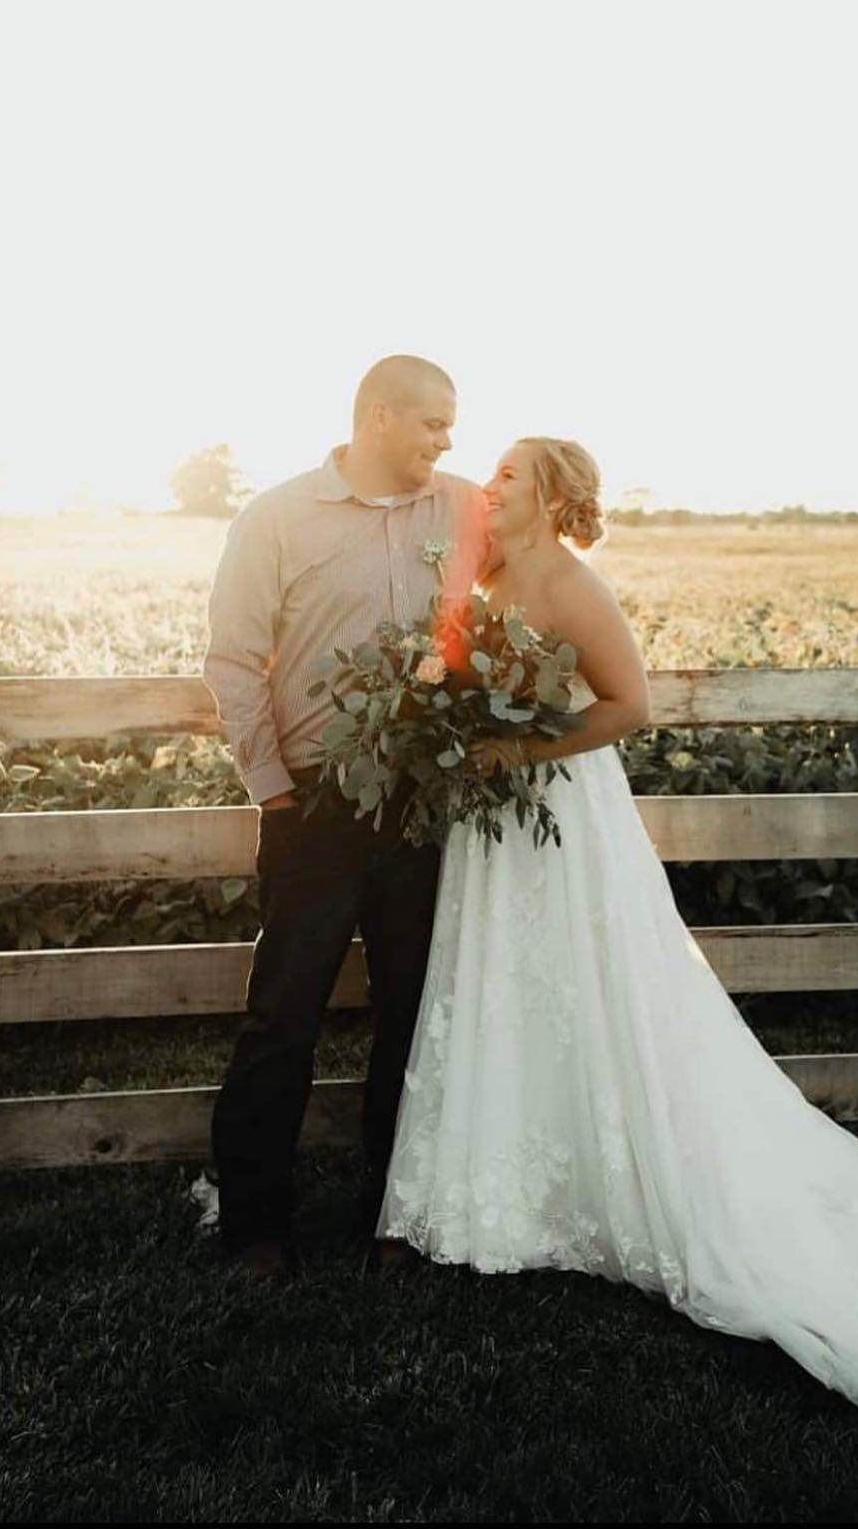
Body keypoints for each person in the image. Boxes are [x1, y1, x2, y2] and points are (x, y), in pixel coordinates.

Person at [376, 435, 858, 1455]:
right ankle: (508, 1192)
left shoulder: (575, 585)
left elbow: (631, 703)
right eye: (490, 474)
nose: (489, 487)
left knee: (583, 980)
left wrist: (516, 744)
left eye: (506, 476)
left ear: (550, 495)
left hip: (563, 812)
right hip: (493, 816)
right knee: (500, 982)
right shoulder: (486, 568)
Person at [202, 354, 487, 1280]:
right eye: (433, 423)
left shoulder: (464, 507)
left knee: (415, 1010)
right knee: (283, 1014)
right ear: (376, 417)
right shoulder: (276, 516)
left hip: (421, 800)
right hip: (315, 800)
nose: (448, 440)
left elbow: (537, 585)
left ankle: (393, 1218)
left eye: (451, 426)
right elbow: (235, 659)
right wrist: (274, 793)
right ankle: (254, 1226)